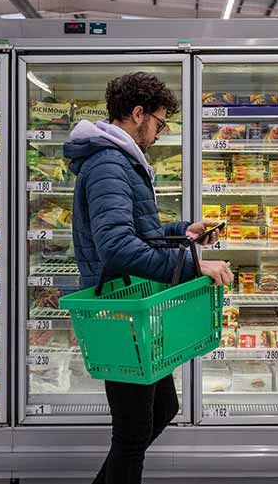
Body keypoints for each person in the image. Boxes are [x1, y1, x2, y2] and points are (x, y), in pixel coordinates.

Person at [64, 72, 234, 484]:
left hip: (135, 306)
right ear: (137, 114)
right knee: (132, 434)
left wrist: (182, 232)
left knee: (161, 412)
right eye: (159, 122)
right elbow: (118, 247)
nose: (160, 132)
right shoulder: (109, 163)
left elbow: (136, 233)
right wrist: (195, 266)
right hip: (120, 311)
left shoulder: (121, 160)